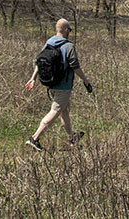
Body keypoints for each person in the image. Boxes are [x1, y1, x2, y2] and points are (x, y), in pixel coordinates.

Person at [24, 18, 92, 151]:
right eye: (69, 30)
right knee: (55, 111)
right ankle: (34, 138)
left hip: (51, 84)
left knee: (64, 111)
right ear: (66, 30)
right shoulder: (68, 46)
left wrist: (33, 78)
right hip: (63, 86)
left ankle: (72, 138)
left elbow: (40, 62)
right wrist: (85, 80)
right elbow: (75, 66)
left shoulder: (49, 42)